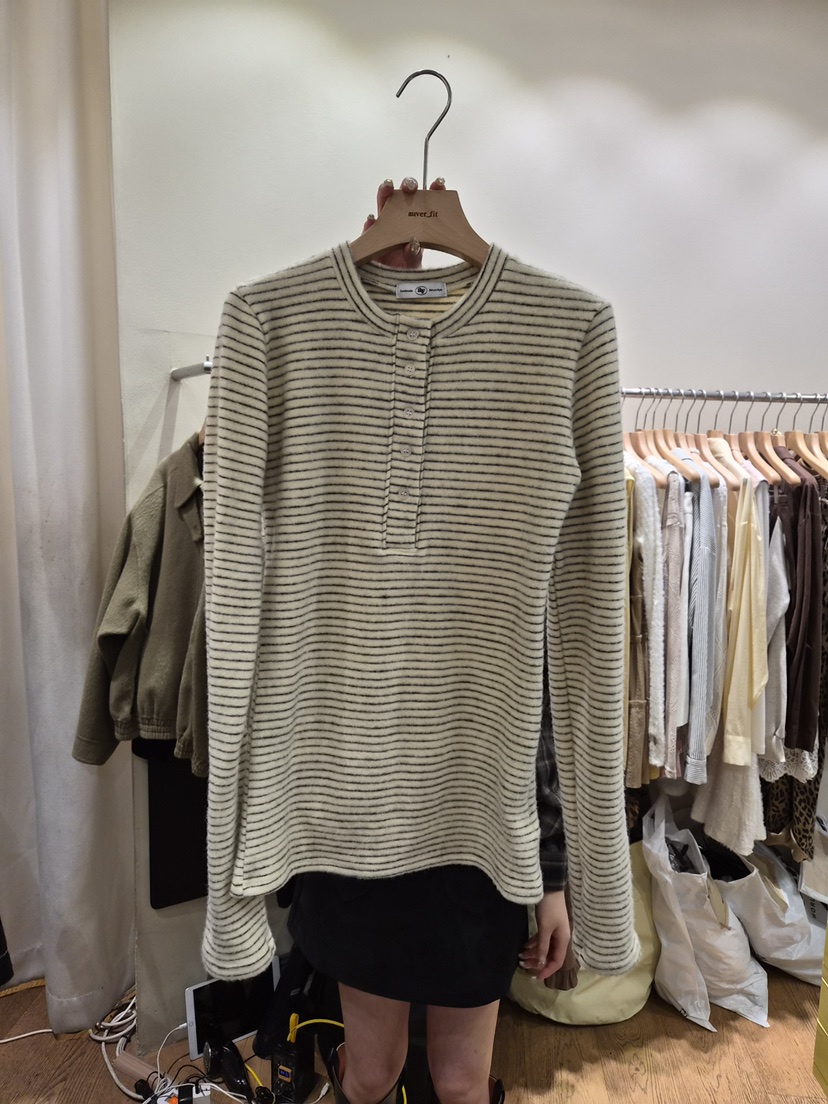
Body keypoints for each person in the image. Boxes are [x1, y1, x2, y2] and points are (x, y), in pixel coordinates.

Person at [285, 178, 571, 1104]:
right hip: (353, 823)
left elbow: (543, 691)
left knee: (460, 1079)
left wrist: (553, 875)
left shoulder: (528, 394)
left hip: (476, 835)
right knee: (370, 1071)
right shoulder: (312, 388)